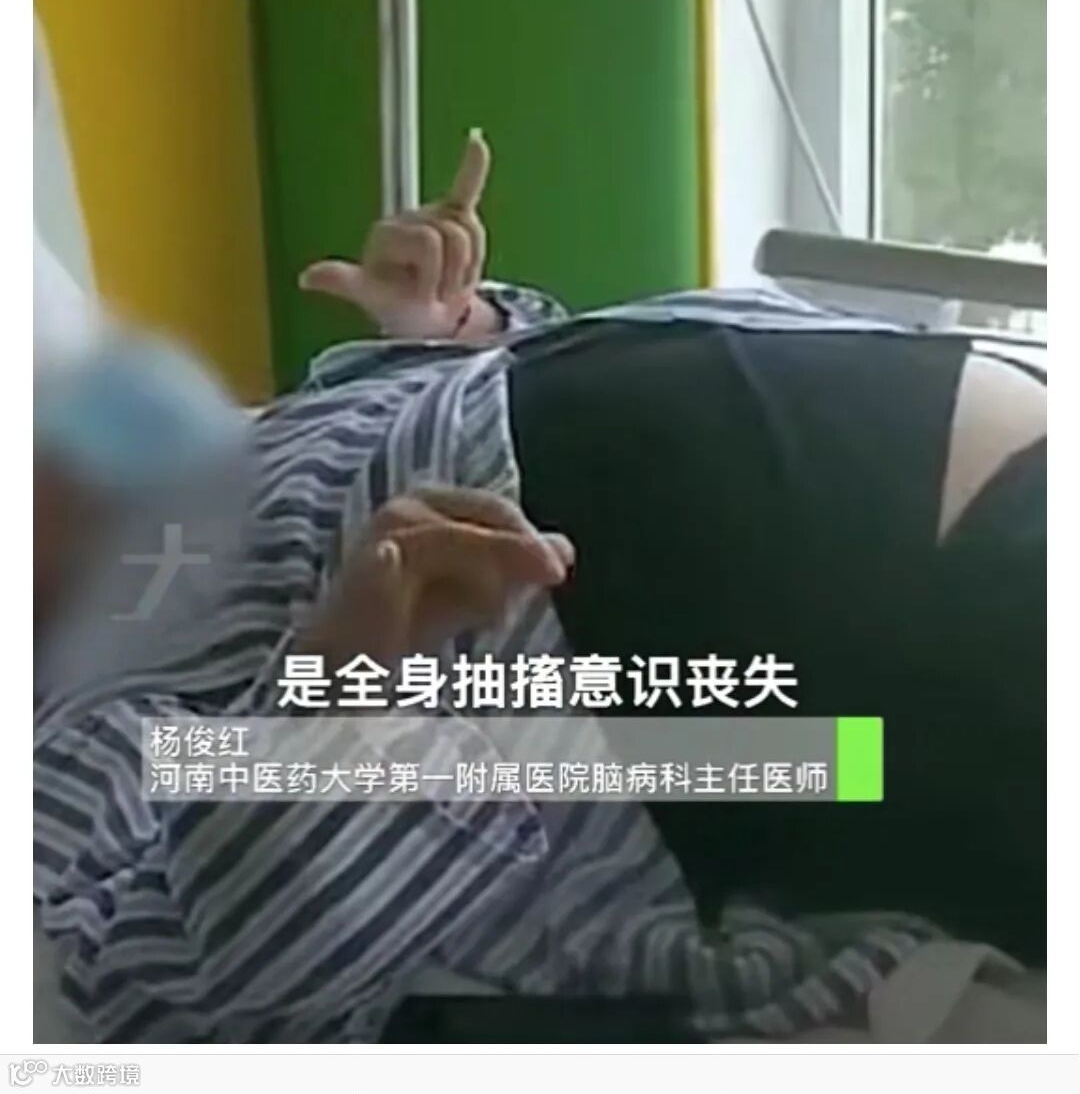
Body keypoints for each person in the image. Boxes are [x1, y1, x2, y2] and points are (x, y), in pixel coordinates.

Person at [34, 134, 1046, 1043]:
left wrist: (449, 325)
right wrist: (337, 681)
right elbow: (162, 985)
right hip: (831, 677)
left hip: (944, 445)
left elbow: (457, 394)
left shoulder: (189, 463)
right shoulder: (65, 726)